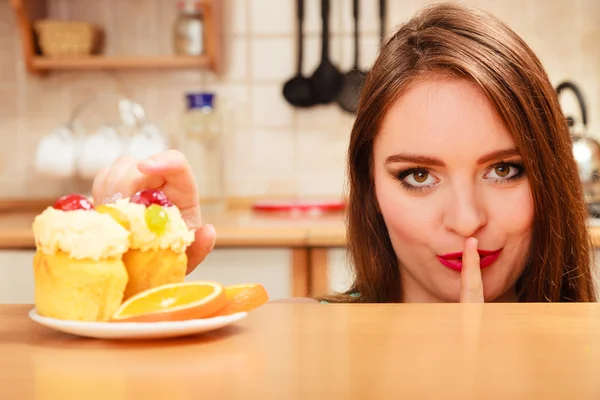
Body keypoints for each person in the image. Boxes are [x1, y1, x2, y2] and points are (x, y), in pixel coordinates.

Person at [92, 2, 597, 304]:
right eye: (419, 175)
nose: (466, 220)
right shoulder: (310, 346)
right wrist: (139, 297)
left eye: (505, 170)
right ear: (369, 185)